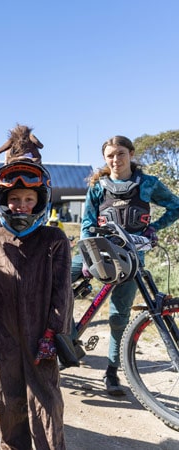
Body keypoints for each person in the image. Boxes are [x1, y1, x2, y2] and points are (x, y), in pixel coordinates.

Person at [0, 160, 73, 449]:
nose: (21, 205)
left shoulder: (54, 239)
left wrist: (53, 333)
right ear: (3, 201)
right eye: (14, 199)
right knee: (8, 398)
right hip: (4, 336)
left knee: (45, 401)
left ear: (40, 200)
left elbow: (62, 292)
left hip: (41, 335)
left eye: (29, 199)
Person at [72, 135, 179, 396]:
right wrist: (87, 257)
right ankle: (55, 337)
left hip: (131, 259)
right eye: (110, 155)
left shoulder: (147, 184)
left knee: (119, 318)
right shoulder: (99, 186)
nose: (115, 159)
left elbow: (175, 206)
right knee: (56, 279)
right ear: (105, 158)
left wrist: (154, 228)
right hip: (98, 253)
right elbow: (87, 223)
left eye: (120, 153)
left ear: (130, 154)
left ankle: (111, 373)